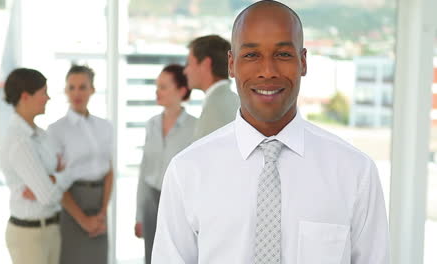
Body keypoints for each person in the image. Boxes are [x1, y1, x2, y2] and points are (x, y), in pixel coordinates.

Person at [151, 1, 390, 264]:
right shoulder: (187, 170)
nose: (267, 71)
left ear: (303, 62)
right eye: (252, 55)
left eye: (283, 55)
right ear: (231, 64)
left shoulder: (355, 172)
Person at [0, 68, 71, 264]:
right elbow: (48, 197)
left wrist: (53, 179)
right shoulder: (19, 141)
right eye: (43, 93)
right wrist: (54, 180)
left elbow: (68, 172)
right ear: (25, 96)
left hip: (50, 230)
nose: (48, 98)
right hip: (29, 236)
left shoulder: (40, 135)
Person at [47, 65, 114, 264]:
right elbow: (56, 182)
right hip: (72, 204)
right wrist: (84, 221)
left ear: (92, 90)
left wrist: (102, 213)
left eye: (82, 87)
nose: (77, 93)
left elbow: (109, 171)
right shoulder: (56, 130)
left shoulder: (105, 126)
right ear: (66, 91)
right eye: (72, 87)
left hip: (100, 202)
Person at [134, 64, 197, 264]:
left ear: (181, 90)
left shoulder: (195, 126)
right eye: (157, 86)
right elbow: (144, 170)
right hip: (151, 201)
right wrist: (139, 215)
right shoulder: (151, 124)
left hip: (179, 203)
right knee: (151, 257)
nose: (157, 91)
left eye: (163, 86)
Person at [184, 34, 240, 141]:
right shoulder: (234, 100)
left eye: (189, 63)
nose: (185, 71)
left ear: (205, 64)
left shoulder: (214, 109)